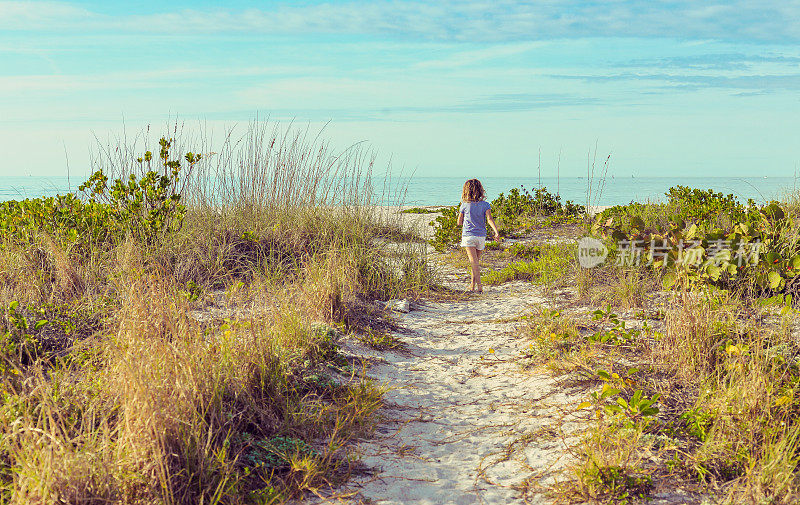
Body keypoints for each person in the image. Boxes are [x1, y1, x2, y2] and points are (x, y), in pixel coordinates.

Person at [457, 179, 500, 293]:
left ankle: (479, 287)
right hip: (481, 236)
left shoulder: (464, 205)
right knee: (475, 262)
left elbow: (459, 222)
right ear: (480, 190)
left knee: (473, 262)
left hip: (469, 236)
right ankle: (472, 285)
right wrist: (496, 232)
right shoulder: (485, 205)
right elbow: (489, 219)